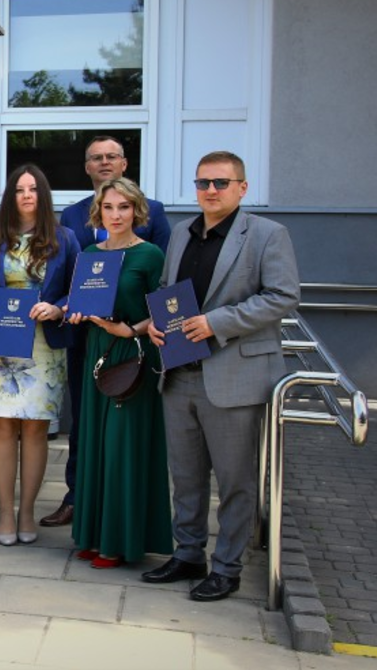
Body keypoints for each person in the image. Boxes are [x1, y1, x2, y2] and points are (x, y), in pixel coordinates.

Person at [142, 151, 299, 601]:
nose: (210, 190)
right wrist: (155, 323)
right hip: (180, 373)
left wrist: (217, 322)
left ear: (242, 188)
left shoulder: (267, 234)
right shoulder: (180, 233)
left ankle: (227, 567)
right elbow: (169, 291)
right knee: (186, 477)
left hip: (235, 376)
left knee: (235, 482)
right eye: (203, 183)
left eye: (221, 183)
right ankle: (189, 554)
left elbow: (283, 296)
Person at [43, 135, 172, 529]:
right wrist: (64, 306)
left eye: (111, 156)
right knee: (86, 424)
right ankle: (78, 499)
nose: (104, 162)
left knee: (126, 431)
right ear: (86, 167)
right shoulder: (71, 216)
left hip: (134, 345)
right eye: (96, 158)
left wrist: (131, 328)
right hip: (86, 339)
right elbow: (68, 277)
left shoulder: (154, 215)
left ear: (124, 163)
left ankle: (124, 516)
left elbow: (164, 282)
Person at [65, 177, 173, 569]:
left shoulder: (150, 255)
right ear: (98, 212)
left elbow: (164, 311)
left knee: (122, 446)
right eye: (108, 207)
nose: (116, 215)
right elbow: (82, 300)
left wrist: (130, 330)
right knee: (95, 442)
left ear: (137, 210)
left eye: (123, 207)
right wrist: (76, 311)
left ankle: (119, 542)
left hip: (133, 353)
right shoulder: (91, 254)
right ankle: (94, 536)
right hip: (98, 350)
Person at [0, 164, 79, 546]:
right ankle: (4, 512)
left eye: (33, 189)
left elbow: (78, 289)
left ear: (43, 194)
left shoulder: (64, 239)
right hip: (0, 346)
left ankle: (28, 511)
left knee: (35, 429)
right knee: (2, 426)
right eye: (19, 189)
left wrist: (58, 307)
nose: (27, 195)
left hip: (44, 347)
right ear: (10, 196)